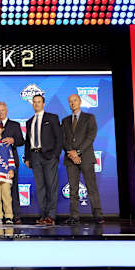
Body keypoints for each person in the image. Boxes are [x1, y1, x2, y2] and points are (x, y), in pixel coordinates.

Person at [62, 94, 104, 224]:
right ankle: (74, 216)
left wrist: (78, 152)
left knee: (91, 187)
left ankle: (97, 215)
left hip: (85, 157)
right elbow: (63, 139)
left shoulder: (89, 118)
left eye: (74, 100)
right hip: (70, 159)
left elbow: (90, 137)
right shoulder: (65, 120)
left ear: (80, 101)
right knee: (73, 189)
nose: (72, 103)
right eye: (70, 101)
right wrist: (72, 154)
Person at [24, 95, 62, 226]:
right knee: (40, 187)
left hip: (49, 156)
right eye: (34, 102)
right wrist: (27, 157)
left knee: (51, 186)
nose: (36, 104)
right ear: (32, 104)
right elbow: (27, 142)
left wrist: (55, 155)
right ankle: (43, 215)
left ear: (43, 103)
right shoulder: (29, 121)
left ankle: (51, 216)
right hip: (34, 157)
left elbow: (59, 138)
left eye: (39, 102)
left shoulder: (52, 118)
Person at [0, 101, 25, 224]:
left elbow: (21, 140)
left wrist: (13, 140)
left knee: (12, 190)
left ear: (7, 110)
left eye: (2, 110)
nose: (0, 112)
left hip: (10, 164)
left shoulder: (14, 125)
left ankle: (15, 215)